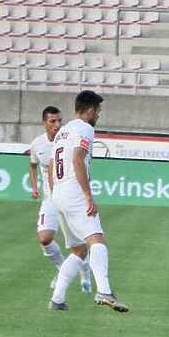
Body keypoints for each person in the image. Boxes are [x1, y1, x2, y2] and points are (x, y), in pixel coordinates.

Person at [48, 91, 128, 313]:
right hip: (74, 192)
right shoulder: (85, 128)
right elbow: (77, 158)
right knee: (97, 240)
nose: (99, 116)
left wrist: (56, 194)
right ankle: (104, 291)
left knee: (79, 251)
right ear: (91, 110)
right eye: (98, 111)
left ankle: (57, 299)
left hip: (59, 194)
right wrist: (87, 195)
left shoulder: (62, 131)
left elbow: (52, 164)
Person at [28, 106, 92, 293]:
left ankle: (85, 275)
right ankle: (62, 269)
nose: (57, 124)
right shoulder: (37, 144)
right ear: (44, 123)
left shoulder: (66, 138)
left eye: (59, 121)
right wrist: (34, 187)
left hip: (68, 197)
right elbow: (32, 165)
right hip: (50, 198)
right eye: (52, 121)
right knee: (45, 238)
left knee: (77, 243)